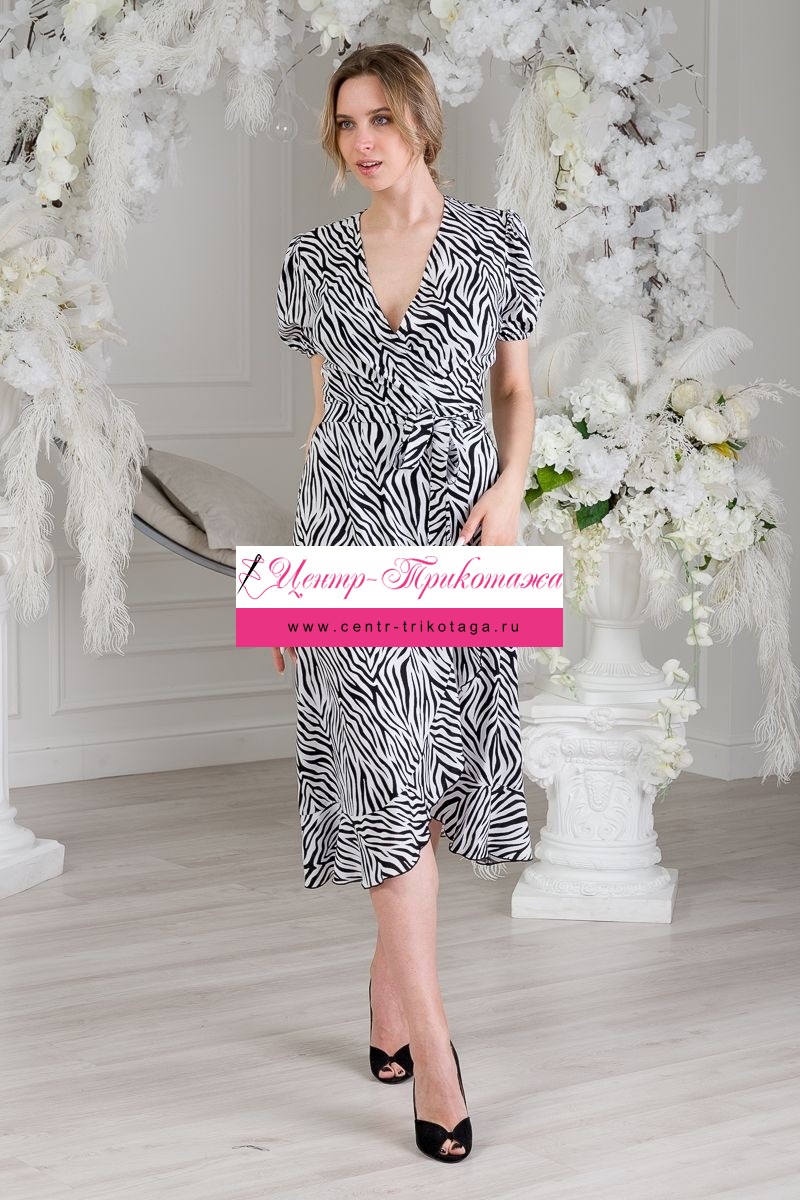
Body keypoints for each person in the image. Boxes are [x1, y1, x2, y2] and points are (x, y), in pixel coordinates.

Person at [273, 42, 544, 1163]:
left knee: (429, 775)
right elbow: (320, 423)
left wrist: (512, 490)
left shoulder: (493, 243)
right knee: (382, 777)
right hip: (345, 538)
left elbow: (514, 388)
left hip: (463, 534)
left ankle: (387, 997)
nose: (362, 140)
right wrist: (294, 590)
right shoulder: (312, 260)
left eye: (379, 117)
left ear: (421, 120)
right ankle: (434, 1051)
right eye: (346, 123)